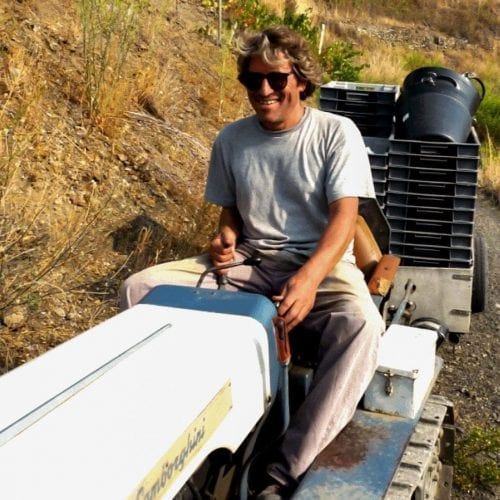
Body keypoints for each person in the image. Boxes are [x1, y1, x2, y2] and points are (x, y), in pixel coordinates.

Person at [120, 25, 385, 499]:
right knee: (139, 289)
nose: (264, 90)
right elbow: (230, 216)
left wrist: (308, 278)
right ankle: (164, 430)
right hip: (249, 262)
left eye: (276, 79)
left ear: (301, 80)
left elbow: (345, 218)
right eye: (252, 80)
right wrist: (224, 238)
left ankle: (283, 469)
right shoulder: (232, 140)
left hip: (319, 265)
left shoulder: (334, 133)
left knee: (362, 325)